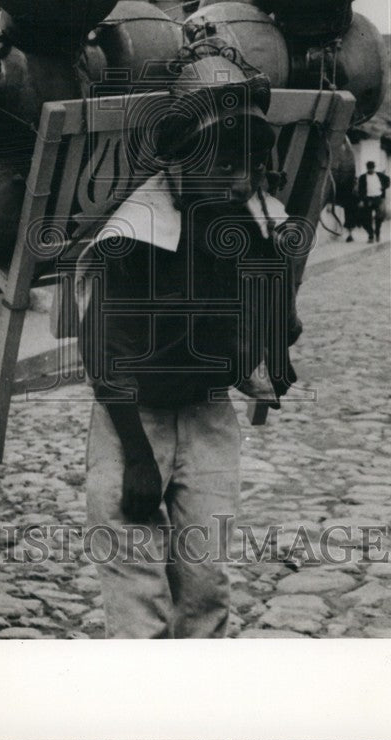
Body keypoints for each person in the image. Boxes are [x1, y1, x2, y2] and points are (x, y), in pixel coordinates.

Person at [76, 60, 303, 638]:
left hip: (206, 416)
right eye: (222, 164)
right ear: (178, 164)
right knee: (136, 589)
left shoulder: (247, 225)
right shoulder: (134, 237)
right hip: (132, 419)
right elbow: (104, 355)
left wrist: (270, 344)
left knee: (205, 585)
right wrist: (137, 458)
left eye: (249, 166)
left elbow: (278, 320)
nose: (238, 181)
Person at [357, 160, 390, 243]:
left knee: (379, 217)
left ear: (374, 168)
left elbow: (388, 180)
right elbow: (360, 190)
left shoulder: (379, 175)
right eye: (369, 168)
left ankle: (377, 233)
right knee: (365, 219)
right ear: (367, 168)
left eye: (372, 168)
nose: (371, 170)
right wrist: (361, 200)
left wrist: (383, 187)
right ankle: (371, 235)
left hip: (378, 198)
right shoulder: (363, 177)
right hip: (367, 199)